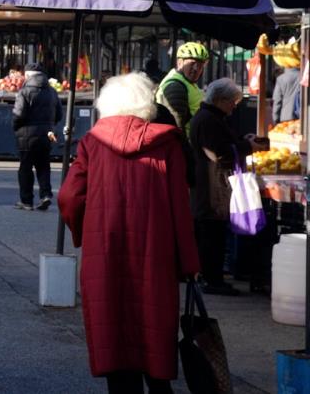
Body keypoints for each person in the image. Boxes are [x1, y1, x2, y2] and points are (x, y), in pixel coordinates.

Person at [59, 73, 200, 394]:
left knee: (115, 342)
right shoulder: (168, 143)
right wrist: (189, 263)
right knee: (154, 340)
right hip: (156, 257)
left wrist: (85, 232)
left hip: (105, 255)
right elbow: (181, 209)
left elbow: (68, 197)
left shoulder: (93, 142)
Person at [188, 78, 264, 296]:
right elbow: (219, 153)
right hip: (212, 186)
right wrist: (247, 146)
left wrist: (243, 140)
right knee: (211, 235)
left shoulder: (212, 117)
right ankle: (212, 280)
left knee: (212, 234)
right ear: (220, 100)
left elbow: (224, 144)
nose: (234, 105)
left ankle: (212, 277)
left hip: (212, 184)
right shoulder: (209, 120)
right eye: (232, 101)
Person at [12, 61, 61, 211]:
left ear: (27, 75)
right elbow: (59, 114)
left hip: (27, 134)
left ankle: (26, 201)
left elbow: (18, 114)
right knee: (43, 165)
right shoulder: (52, 92)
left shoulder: (24, 91)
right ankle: (45, 195)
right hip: (47, 134)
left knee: (25, 167)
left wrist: (16, 126)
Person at [155, 42, 209, 134]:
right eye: (192, 63)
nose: (196, 69)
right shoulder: (175, 87)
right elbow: (176, 127)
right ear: (180, 63)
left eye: (200, 65)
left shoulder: (187, 82)